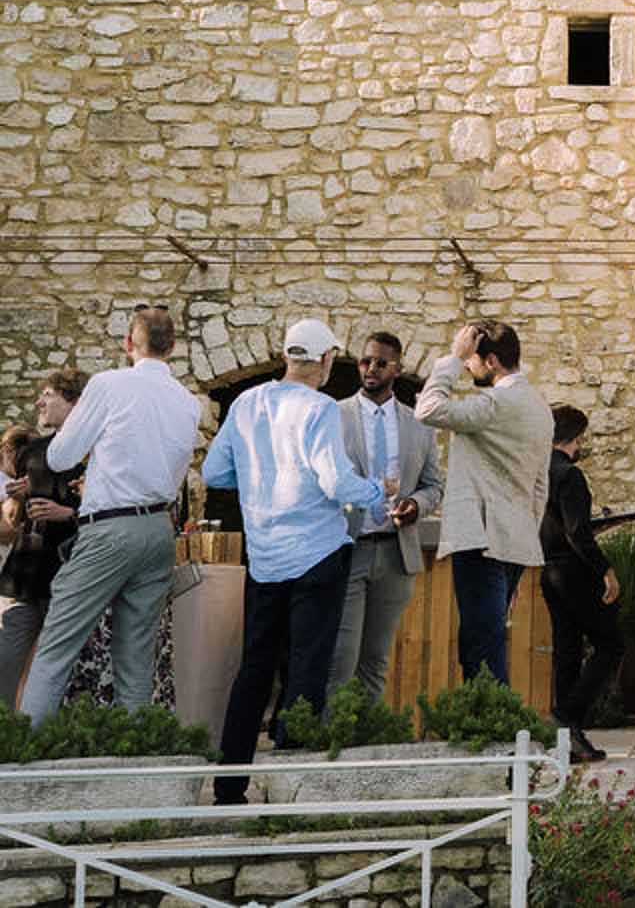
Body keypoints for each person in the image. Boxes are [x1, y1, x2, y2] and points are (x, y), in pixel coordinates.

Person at [203, 318, 386, 805]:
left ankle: (229, 785)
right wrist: (376, 493)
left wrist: (261, 480)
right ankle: (291, 788)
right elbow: (335, 483)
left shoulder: (245, 403)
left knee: (255, 668)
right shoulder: (321, 408)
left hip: (264, 556)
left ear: (287, 356)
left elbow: (214, 471)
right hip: (317, 554)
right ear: (326, 361)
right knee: (308, 668)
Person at [20, 306, 199, 722]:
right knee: (136, 657)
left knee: (56, 644)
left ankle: (22, 762)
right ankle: (133, 760)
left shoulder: (109, 384)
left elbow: (61, 457)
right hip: (158, 528)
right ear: (171, 346)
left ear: (126, 344)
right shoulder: (187, 402)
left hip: (110, 528)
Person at [415, 320, 551, 684]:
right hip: (512, 541)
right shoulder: (540, 408)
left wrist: (452, 359)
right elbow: (540, 487)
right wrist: (523, 547)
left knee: (480, 643)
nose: (469, 368)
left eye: (473, 360)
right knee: (487, 638)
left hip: (480, 539)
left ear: (491, 361)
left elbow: (427, 409)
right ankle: (493, 723)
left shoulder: (493, 403)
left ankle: (489, 729)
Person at [328, 331, 443, 699]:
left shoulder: (419, 424)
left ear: (398, 367)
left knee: (375, 661)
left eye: (380, 362)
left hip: (396, 553)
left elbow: (433, 486)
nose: (371, 368)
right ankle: (331, 743)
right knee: (340, 658)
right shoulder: (335, 415)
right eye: (365, 361)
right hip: (348, 548)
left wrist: (416, 506)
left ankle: (367, 746)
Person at [540, 404, 622, 763]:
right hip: (574, 571)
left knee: (567, 652)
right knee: (611, 643)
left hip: (549, 570)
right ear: (575, 438)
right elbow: (576, 532)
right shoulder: (570, 475)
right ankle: (567, 715)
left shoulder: (537, 472)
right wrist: (605, 568)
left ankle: (566, 741)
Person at [0, 370, 86, 708]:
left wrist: (66, 514)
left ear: (74, 402)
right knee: (5, 656)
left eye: (48, 394)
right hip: (26, 573)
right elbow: (12, 518)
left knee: (58, 667)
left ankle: (47, 735)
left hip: (69, 574)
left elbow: (106, 512)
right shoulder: (33, 451)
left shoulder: (93, 452)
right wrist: (18, 498)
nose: (39, 401)